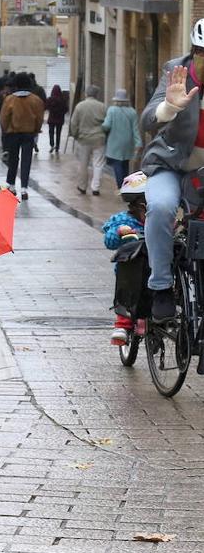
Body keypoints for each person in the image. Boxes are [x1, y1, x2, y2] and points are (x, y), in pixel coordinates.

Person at [140, 19, 204, 320]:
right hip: (169, 164)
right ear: (195, 53)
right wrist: (170, 107)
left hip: (201, 174)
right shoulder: (176, 72)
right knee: (162, 207)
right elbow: (148, 120)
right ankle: (161, 287)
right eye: (203, 53)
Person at [103, 171, 147, 345]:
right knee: (127, 290)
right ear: (135, 206)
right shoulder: (122, 220)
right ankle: (122, 324)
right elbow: (109, 241)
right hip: (131, 269)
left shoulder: (160, 219)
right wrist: (120, 231)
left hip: (152, 267)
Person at [0, 71, 45, 201]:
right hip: (29, 134)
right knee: (26, 160)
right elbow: (40, 118)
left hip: (13, 133)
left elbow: (3, 118)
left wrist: (6, 130)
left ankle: (11, 185)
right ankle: (24, 188)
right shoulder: (36, 100)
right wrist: (36, 129)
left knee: (13, 159)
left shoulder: (10, 99)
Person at [70, 85, 107, 196]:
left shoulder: (80, 106)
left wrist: (75, 135)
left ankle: (82, 186)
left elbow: (73, 123)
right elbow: (107, 122)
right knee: (98, 164)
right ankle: (95, 187)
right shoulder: (103, 106)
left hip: (83, 139)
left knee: (83, 164)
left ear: (86, 93)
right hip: (99, 138)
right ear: (97, 94)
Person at [102, 88, 142, 188]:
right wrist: (138, 143)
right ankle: (126, 185)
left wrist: (101, 127)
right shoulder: (132, 112)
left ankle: (121, 187)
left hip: (115, 143)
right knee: (125, 164)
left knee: (117, 165)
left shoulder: (112, 110)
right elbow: (135, 129)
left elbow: (106, 126)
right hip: (128, 143)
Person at [46, 85, 68, 154]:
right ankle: (57, 147)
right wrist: (61, 113)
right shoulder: (63, 100)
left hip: (51, 119)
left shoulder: (50, 99)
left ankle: (52, 144)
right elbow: (66, 109)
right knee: (58, 133)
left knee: (51, 132)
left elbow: (46, 106)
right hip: (60, 119)